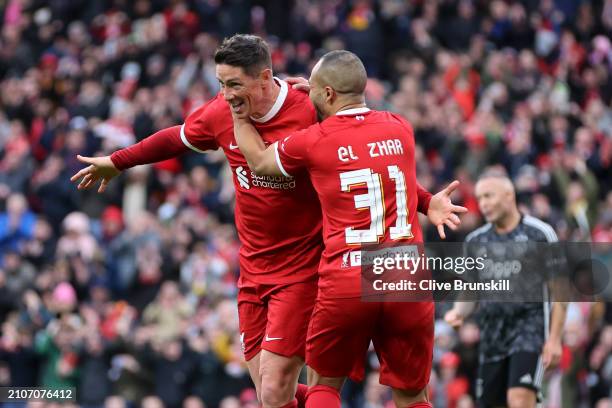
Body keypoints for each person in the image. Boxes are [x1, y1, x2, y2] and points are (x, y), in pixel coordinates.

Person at [71, 35, 462, 408]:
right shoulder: (221, 112)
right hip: (254, 269)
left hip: (304, 267)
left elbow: (365, 165)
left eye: (235, 84)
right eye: (221, 84)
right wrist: (118, 161)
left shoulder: (311, 114)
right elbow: (177, 137)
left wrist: (425, 202)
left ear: (263, 78)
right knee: (272, 397)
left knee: (281, 385)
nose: (227, 95)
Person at [230, 50, 467, 408]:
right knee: (413, 395)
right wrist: (427, 202)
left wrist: (239, 118)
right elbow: (379, 169)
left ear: (327, 94)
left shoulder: (315, 140)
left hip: (349, 274)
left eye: (315, 90)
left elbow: (261, 162)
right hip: (405, 275)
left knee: (324, 386)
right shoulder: (400, 128)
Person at [444, 172, 569, 408]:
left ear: (509, 195)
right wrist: (458, 313)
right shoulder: (475, 241)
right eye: (480, 198)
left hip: (529, 332)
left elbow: (561, 290)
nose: (483, 204)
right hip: (491, 337)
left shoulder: (539, 233)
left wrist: (554, 340)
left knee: (519, 399)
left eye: (489, 196)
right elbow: (470, 290)